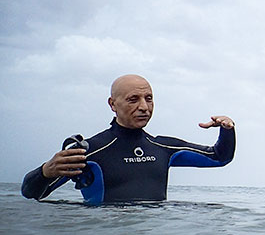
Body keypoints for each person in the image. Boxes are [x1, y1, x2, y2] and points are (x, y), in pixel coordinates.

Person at [22, 74, 236, 204]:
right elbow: (31, 194)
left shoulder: (163, 147)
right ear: (112, 104)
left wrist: (227, 129)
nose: (144, 106)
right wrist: (45, 172)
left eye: (149, 99)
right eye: (133, 99)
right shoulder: (89, 151)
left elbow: (219, 157)